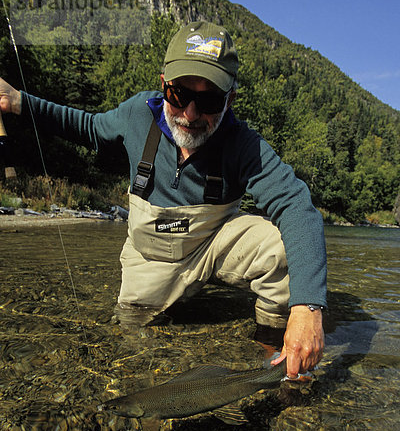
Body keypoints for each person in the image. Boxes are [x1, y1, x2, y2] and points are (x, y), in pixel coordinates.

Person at [0, 21, 327, 379]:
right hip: (150, 259)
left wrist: (308, 307)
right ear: (163, 84)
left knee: (282, 246)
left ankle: (275, 362)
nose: (190, 114)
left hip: (210, 248)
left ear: (230, 99)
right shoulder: (137, 114)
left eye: (209, 101)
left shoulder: (242, 144)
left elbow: (297, 205)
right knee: (131, 347)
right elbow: (87, 127)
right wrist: (17, 101)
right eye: (180, 94)